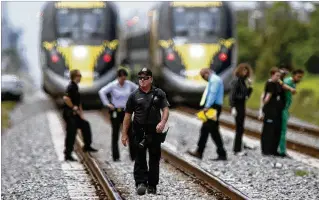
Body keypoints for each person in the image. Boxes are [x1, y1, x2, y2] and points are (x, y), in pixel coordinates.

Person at [121, 67, 170, 195]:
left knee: (154, 158)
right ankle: (141, 183)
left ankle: (152, 185)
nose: (142, 80)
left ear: (151, 79)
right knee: (140, 157)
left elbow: (165, 109)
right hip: (139, 131)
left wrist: (162, 122)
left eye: (145, 78)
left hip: (154, 131)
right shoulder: (134, 95)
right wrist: (124, 134)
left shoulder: (159, 93)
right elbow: (127, 115)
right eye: (140, 78)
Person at [98, 69, 138, 161]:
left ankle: (133, 156)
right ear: (118, 77)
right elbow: (102, 92)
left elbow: (138, 90)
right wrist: (107, 104)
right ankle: (116, 157)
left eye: (124, 79)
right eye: (121, 79)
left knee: (130, 134)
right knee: (115, 134)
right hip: (116, 111)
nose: (123, 81)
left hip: (126, 112)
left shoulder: (129, 84)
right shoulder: (113, 85)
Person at [187, 68, 227, 161]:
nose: (203, 78)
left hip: (213, 108)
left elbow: (212, 93)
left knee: (205, 129)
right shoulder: (215, 79)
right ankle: (222, 153)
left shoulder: (214, 80)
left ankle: (199, 152)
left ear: (207, 73)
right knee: (214, 131)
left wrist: (207, 106)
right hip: (214, 107)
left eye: (203, 76)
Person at [63, 69, 98, 161]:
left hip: (75, 114)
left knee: (85, 125)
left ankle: (87, 145)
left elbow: (78, 103)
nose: (81, 77)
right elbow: (66, 98)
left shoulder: (75, 87)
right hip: (70, 114)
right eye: (79, 76)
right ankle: (68, 154)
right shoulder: (71, 86)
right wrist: (73, 107)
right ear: (75, 76)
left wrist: (81, 113)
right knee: (71, 133)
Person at [260, 67, 295, 156]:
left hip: (277, 110)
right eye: (277, 76)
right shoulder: (270, 83)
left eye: (279, 76)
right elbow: (267, 96)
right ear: (272, 75)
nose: (278, 77)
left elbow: (283, 85)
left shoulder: (278, 82)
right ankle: (266, 150)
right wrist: (262, 110)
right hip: (270, 110)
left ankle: (273, 150)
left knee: (276, 130)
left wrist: (291, 89)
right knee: (268, 130)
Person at [229, 63, 253, 156]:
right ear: (240, 71)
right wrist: (233, 107)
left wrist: (250, 87)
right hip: (238, 106)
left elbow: (246, 95)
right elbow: (232, 95)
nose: (245, 72)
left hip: (242, 106)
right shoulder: (236, 81)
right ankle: (237, 149)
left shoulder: (243, 82)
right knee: (239, 128)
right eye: (244, 70)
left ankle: (238, 148)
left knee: (241, 128)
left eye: (246, 71)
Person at [279, 69, 304, 157]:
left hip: (286, 108)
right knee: (282, 130)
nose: (299, 79)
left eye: (301, 77)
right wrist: (290, 89)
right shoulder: (288, 81)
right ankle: (282, 151)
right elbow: (282, 85)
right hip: (282, 108)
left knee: (283, 130)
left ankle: (281, 149)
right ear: (293, 75)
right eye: (298, 77)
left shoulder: (293, 83)